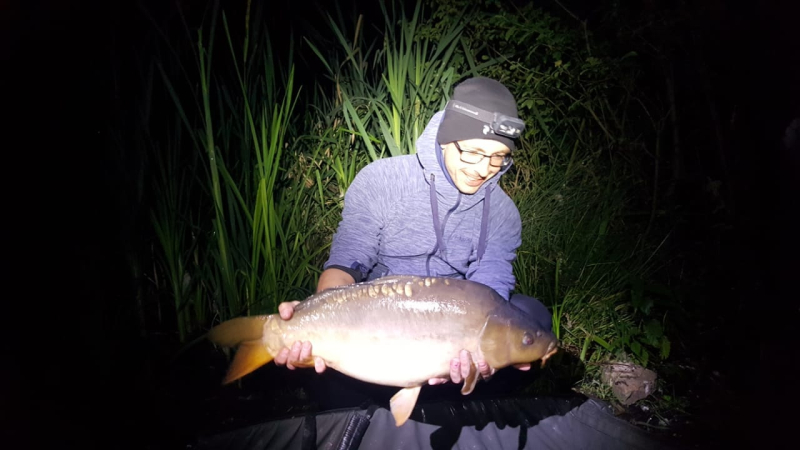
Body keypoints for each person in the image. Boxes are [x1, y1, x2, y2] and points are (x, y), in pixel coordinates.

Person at [275, 76, 553, 392]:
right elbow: (346, 263)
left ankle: (461, 392)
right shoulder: (382, 179)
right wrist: (317, 315)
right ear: (446, 139)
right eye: (473, 152)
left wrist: (485, 354)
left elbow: (491, 291)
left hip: (451, 324)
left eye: (498, 156)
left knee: (533, 318)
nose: (483, 169)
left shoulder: (503, 213)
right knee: (318, 357)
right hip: (379, 315)